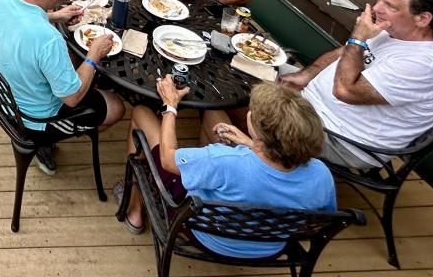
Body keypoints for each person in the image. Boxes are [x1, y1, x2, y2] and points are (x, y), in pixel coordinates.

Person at [120, 78, 337, 256]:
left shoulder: (226, 160)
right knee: (215, 116)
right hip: (270, 245)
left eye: (254, 111)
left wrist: (170, 106)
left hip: (205, 234)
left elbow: (168, 159)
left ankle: (135, 211)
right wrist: (252, 145)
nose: (250, 112)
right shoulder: (321, 174)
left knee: (141, 112)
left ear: (261, 133)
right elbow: (322, 218)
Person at [281, 0, 433, 168]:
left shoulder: (424, 65)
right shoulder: (391, 31)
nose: (375, 8)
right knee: (255, 70)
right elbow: (345, 52)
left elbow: (345, 91)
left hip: (343, 139)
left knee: (256, 108)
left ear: (423, 18)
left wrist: (358, 37)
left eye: (390, 5)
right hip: (312, 104)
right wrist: (306, 75)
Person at [0, 0, 126, 175]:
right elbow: (72, 98)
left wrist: (55, 15)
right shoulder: (49, 40)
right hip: (32, 119)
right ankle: (44, 144)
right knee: (117, 107)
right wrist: (94, 54)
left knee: (70, 60)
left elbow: (21, 14)